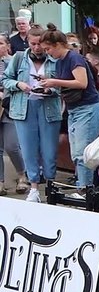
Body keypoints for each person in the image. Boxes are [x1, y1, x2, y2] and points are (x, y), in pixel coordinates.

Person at [40, 25, 99, 191]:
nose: (47, 53)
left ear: (58, 45)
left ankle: (86, 189)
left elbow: (82, 83)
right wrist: (49, 84)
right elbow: (68, 85)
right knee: (76, 153)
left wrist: (54, 82)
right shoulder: (61, 62)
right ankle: (83, 185)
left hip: (87, 108)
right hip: (75, 109)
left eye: (48, 49)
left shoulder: (74, 58)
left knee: (83, 154)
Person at [2, 24, 59, 202]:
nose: (36, 48)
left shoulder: (54, 60)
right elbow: (6, 79)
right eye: (33, 44)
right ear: (27, 42)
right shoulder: (19, 58)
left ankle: (50, 182)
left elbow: (63, 84)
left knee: (49, 151)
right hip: (23, 108)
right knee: (28, 149)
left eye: (39, 44)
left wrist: (50, 89)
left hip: (48, 107)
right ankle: (33, 186)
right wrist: (19, 85)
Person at [0, 36, 27, 196]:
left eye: (1, 43)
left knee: (12, 145)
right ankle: (1, 182)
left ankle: (22, 175)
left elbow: (19, 82)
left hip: (9, 108)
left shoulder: (14, 62)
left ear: (8, 45)